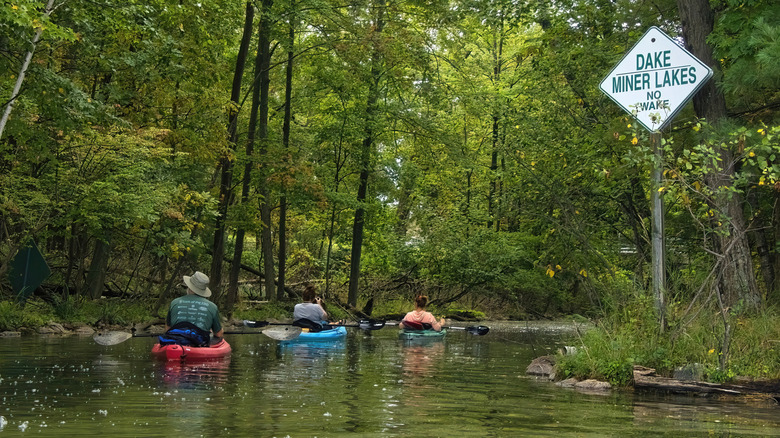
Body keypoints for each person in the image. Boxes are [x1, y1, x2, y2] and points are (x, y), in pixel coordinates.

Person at [160, 271, 224, 346]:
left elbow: (168, 328)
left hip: (176, 342)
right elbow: (218, 334)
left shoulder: (174, 302)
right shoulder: (212, 306)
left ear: (189, 287)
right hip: (199, 343)